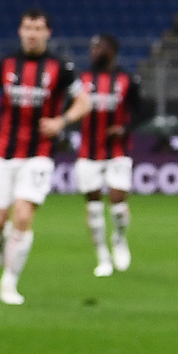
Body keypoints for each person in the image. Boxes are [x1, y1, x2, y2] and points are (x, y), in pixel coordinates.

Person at [0, 9, 89, 305]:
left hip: (39, 154)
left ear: (47, 33)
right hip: (2, 153)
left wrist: (61, 122)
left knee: (22, 214)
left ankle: (9, 283)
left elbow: (84, 102)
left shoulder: (62, 67)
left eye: (38, 28)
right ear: (20, 31)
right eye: (28, 28)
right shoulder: (4, 63)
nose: (32, 34)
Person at [69, 33, 140, 277]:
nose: (95, 52)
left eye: (100, 48)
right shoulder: (82, 80)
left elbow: (141, 111)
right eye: (93, 48)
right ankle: (102, 256)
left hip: (117, 151)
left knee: (118, 205)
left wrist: (125, 128)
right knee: (94, 207)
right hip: (88, 152)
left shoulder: (127, 79)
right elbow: (69, 108)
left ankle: (119, 239)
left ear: (112, 51)